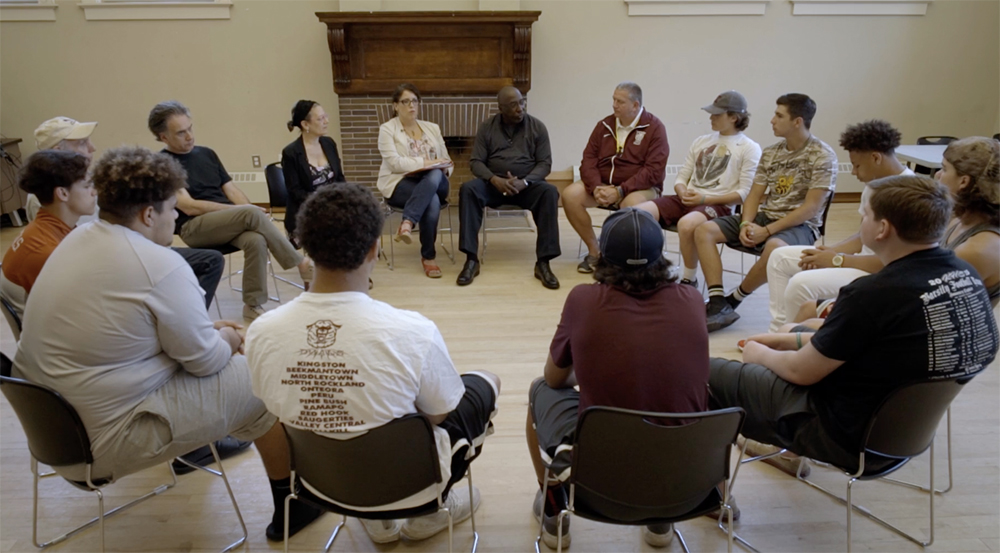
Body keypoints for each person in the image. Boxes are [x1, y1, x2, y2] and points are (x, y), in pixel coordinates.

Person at [11, 146, 324, 542]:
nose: (176, 215)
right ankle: (293, 503)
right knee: (257, 375)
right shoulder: (158, 264)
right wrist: (227, 336)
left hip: (54, 431)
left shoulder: (77, 239)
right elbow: (206, 362)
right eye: (171, 208)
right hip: (103, 440)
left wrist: (210, 332)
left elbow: (130, 330)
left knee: (230, 367)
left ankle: (223, 440)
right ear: (147, 214)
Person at [246, 183, 499, 545]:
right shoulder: (413, 330)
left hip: (321, 485)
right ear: (373, 249)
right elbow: (440, 414)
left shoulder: (262, 331)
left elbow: (273, 410)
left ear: (304, 247)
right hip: (413, 487)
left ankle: (375, 521)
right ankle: (423, 514)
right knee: (484, 381)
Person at [711, 175, 998, 479]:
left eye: (865, 215)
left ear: (883, 228)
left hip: (845, 438)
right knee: (793, 332)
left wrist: (758, 352)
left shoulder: (872, 293)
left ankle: (705, 494)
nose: (862, 221)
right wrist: (797, 338)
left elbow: (799, 372)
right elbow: (885, 345)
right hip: (903, 436)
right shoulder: (964, 274)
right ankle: (785, 453)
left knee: (705, 374)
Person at [525, 208, 709, 549]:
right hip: (687, 477)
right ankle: (660, 517)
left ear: (602, 257)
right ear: (661, 257)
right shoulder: (692, 299)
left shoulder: (583, 299)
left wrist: (591, 368)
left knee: (538, 390)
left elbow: (554, 378)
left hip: (601, 478)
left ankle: (554, 512)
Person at [149, 100, 313, 320]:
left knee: (256, 239)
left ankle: (252, 305)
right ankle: (299, 262)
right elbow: (189, 206)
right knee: (251, 213)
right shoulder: (162, 163)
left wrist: (246, 210)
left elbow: (231, 189)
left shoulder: (207, 154)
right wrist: (246, 211)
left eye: (190, 128)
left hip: (226, 222)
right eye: (180, 133)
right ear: (164, 137)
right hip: (193, 227)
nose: (189, 136)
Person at [694, 93, 836, 332]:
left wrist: (766, 231)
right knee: (704, 230)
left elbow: (811, 208)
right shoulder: (771, 152)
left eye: (779, 116)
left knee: (774, 248)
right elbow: (754, 195)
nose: (772, 120)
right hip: (766, 217)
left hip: (800, 226)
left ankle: (734, 299)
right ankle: (718, 300)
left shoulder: (822, 155)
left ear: (797, 121)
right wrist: (745, 225)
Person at [764, 120, 913, 331]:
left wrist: (836, 259)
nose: (853, 172)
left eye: (857, 165)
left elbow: (894, 263)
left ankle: (789, 339)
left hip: (880, 274)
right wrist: (832, 251)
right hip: (860, 261)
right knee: (779, 258)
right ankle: (778, 330)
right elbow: (863, 236)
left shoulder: (909, 194)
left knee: (800, 284)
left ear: (876, 158)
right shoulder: (874, 186)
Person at [635, 91, 761, 287]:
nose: (711, 118)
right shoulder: (701, 141)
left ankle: (689, 278)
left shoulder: (749, 148)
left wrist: (703, 200)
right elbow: (682, 177)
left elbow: (743, 194)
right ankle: (650, 267)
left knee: (687, 225)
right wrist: (681, 190)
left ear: (734, 118)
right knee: (638, 213)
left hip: (718, 205)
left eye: (717, 115)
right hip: (688, 198)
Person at [457, 86, 561, 289]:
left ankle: (543, 263)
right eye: (513, 105)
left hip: (527, 186)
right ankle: (471, 260)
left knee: (549, 192)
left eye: (521, 102)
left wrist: (526, 181)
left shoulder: (537, 127)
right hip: (494, 185)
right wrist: (494, 179)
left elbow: (545, 164)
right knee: (468, 189)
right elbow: (476, 161)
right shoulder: (487, 127)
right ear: (501, 108)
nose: (520, 108)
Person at [564, 82, 669, 274]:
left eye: (619, 101)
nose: (614, 105)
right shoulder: (604, 125)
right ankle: (595, 252)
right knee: (570, 195)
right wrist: (596, 187)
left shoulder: (655, 128)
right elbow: (588, 160)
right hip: (603, 184)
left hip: (640, 187)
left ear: (635, 105)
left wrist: (620, 190)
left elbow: (653, 170)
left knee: (631, 208)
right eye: (613, 99)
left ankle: (621, 259)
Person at [1, 151, 95, 318]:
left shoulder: (48, 228)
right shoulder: (46, 251)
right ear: (63, 194)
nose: (94, 192)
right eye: (87, 186)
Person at [376, 84, 453, 278]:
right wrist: (425, 162)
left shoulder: (432, 128)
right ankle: (429, 258)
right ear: (395, 105)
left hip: (437, 181)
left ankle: (408, 221)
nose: (412, 105)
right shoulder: (387, 130)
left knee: (434, 174)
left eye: (415, 101)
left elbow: (447, 159)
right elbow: (394, 163)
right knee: (432, 201)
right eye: (405, 101)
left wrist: (440, 166)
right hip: (401, 183)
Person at [936, 136, 999, 305]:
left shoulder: (977, 249)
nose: (937, 175)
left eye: (944, 169)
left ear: (964, 181)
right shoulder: (960, 217)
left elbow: (930, 298)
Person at [281, 99, 346, 245]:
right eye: (320, 118)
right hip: (307, 209)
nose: (326, 121)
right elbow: (295, 191)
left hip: (332, 206)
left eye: (325, 116)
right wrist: (324, 203)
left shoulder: (329, 143)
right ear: (305, 124)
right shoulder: (291, 153)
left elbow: (339, 179)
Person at [24, 117, 98, 223]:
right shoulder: (43, 197)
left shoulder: (93, 178)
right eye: (82, 143)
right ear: (58, 152)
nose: (92, 148)